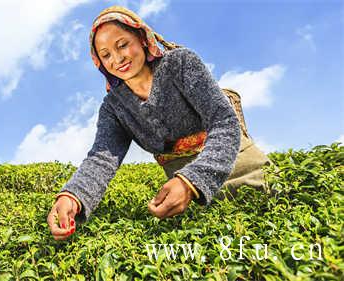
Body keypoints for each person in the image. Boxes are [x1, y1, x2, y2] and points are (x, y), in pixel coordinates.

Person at [47, 6, 271, 240]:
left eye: (122, 45)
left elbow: (224, 121)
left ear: (143, 39)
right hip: (185, 196)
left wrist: (191, 181)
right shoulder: (114, 107)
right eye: (106, 55)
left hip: (240, 167)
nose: (117, 58)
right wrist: (72, 196)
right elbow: (102, 158)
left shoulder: (180, 64)